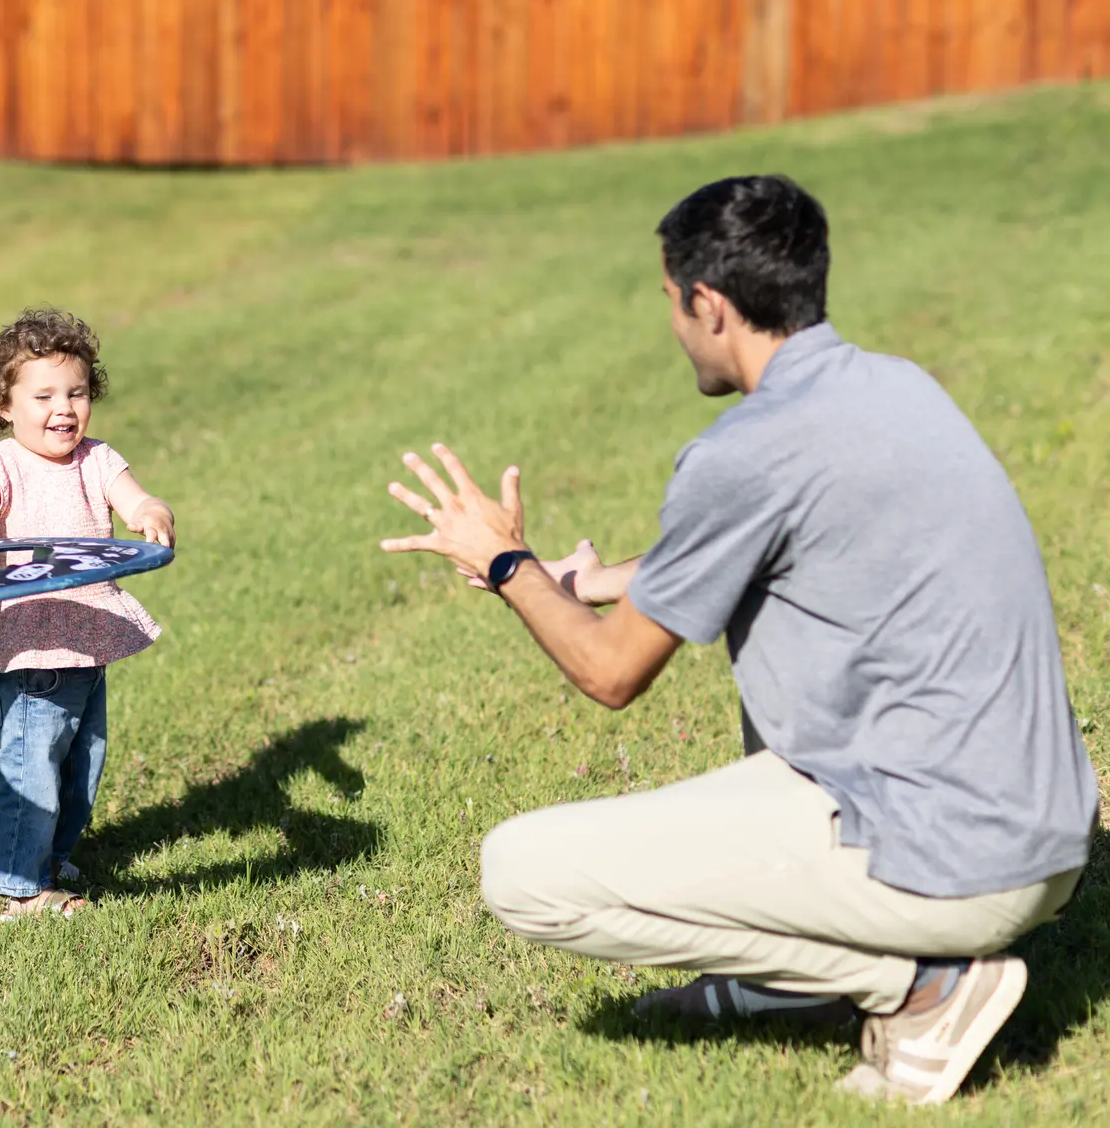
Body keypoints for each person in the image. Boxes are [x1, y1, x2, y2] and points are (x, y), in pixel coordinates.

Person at [379, 175, 1096, 1105]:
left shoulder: (746, 450)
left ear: (709, 305)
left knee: (522, 873)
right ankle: (793, 986)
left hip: (965, 869)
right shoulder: (896, 388)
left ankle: (920, 987)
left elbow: (609, 671)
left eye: (674, 304)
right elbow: (756, 546)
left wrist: (508, 564)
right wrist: (579, 581)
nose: (674, 325)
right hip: (1045, 833)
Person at [0, 308, 176, 919]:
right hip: (26, 646)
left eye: (77, 392)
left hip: (86, 638)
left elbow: (136, 498)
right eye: (44, 395)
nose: (65, 407)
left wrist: (153, 515)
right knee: (33, 768)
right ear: (4, 404)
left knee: (83, 767)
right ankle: (21, 887)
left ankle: (50, 856)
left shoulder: (98, 459)